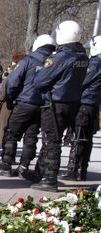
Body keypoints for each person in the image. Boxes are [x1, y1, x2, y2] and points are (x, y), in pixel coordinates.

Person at [31, 20, 88, 191]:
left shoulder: (61, 57)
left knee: (51, 141)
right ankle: (44, 173)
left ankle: (49, 179)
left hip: (55, 103)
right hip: (73, 102)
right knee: (58, 140)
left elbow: (40, 81)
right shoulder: (82, 57)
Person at [0, 35, 55, 178]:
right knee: (31, 137)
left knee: (11, 134)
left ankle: (6, 164)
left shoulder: (28, 61)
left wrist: (10, 98)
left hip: (24, 102)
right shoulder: (53, 63)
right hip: (41, 105)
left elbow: (13, 81)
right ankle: (24, 167)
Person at [61, 35, 101, 181]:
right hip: (92, 105)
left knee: (79, 139)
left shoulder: (95, 64)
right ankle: (81, 169)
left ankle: (75, 170)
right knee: (86, 139)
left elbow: (82, 81)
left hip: (84, 104)